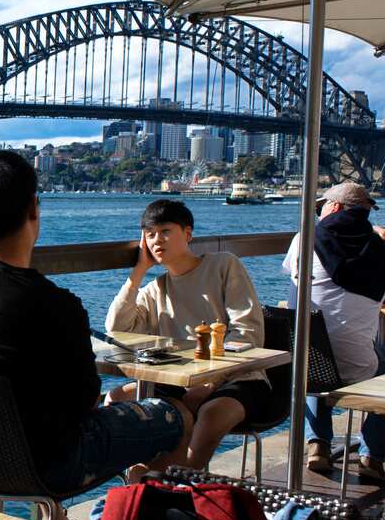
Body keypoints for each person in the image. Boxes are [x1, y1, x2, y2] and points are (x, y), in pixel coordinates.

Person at [0, 150, 191, 520]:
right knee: (177, 415)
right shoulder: (59, 307)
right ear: (34, 209)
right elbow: (86, 402)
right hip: (49, 468)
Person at [105, 199, 267, 470]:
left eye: (166, 231)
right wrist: (138, 272)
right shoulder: (155, 289)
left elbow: (247, 333)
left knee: (213, 414)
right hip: (178, 382)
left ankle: (178, 482)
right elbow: (117, 329)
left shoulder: (223, 266)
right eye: (150, 234)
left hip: (237, 376)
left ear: (188, 233)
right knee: (117, 398)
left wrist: (209, 381)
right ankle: (149, 478)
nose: (157, 240)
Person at [283, 182, 385, 482]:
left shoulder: (303, 239)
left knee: (317, 347)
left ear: (334, 208)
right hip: (357, 367)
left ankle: (318, 444)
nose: (318, 212)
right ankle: (373, 456)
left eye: (321, 207)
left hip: (299, 364)